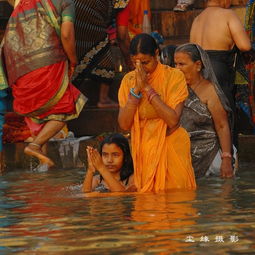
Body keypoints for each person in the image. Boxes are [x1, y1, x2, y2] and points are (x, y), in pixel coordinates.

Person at [0, 0, 86, 167]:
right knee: (69, 106)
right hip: (47, 66)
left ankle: (43, 164)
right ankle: (35, 145)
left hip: (19, 69)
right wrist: (74, 60)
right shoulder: (65, 2)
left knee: (40, 114)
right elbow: (67, 34)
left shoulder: (23, 2)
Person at [118, 33, 196, 193]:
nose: (139, 69)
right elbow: (124, 124)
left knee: (177, 203)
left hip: (171, 148)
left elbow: (173, 120)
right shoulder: (128, 81)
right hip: (144, 151)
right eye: (135, 63)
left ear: (156, 54)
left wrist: (147, 88)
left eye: (145, 63)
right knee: (147, 209)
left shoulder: (174, 76)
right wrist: (136, 91)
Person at [190, 0, 251, 147]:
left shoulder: (197, 19)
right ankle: (228, 161)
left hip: (197, 76)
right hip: (219, 74)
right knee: (224, 122)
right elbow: (245, 45)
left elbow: (190, 51)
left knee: (204, 123)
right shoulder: (228, 15)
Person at [174, 43, 235, 178]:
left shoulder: (209, 91)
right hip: (185, 161)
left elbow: (222, 125)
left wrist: (226, 159)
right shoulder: (176, 89)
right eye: (175, 64)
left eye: (182, 64)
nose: (177, 69)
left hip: (212, 159)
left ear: (198, 65)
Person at [72, 0, 130, 108]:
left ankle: (70, 97)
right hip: (86, 17)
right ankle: (103, 99)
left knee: (74, 54)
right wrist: (130, 61)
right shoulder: (123, 2)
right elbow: (122, 35)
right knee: (104, 49)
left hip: (70, 14)